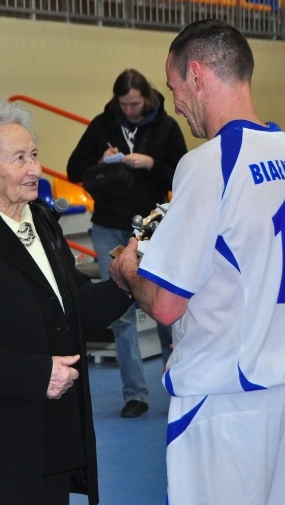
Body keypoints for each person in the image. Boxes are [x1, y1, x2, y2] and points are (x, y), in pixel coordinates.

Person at [110, 19, 285, 504]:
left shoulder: (209, 164)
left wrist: (128, 272)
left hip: (221, 400)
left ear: (197, 75)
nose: (176, 102)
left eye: (174, 87)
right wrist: (266, 322)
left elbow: (165, 306)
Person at [0, 102, 133, 504]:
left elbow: (76, 307)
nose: (34, 168)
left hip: (48, 436)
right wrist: (37, 374)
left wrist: (123, 284)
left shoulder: (42, 223)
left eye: (34, 154)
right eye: (19, 158)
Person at [67, 69, 187, 418]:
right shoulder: (102, 124)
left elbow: (182, 175)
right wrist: (100, 162)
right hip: (108, 224)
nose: (130, 110)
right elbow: (74, 169)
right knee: (118, 312)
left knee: (164, 306)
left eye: (135, 104)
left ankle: (176, 382)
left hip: (152, 229)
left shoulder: (166, 127)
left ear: (146, 98)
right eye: (124, 104)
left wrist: (151, 163)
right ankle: (135, 394)